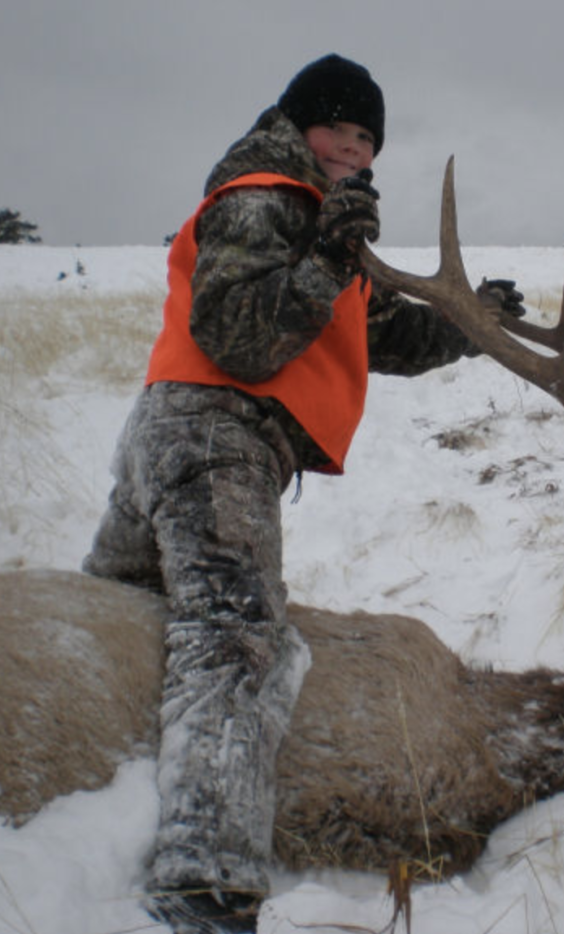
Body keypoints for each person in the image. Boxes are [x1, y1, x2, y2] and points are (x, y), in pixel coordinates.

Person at [82, 53, 524, 934]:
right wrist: (325, 254)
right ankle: (204, 883)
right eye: (338, 130)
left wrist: (474, 321)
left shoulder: (318, 214)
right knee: (240, 643)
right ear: (299, 123)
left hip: (176, 437)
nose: (352, 150)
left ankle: (75, 799)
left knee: (113, 620)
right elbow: (240, 337)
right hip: (217, 439)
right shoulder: (266, 192)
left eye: (367, 140)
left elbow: (379, 333)